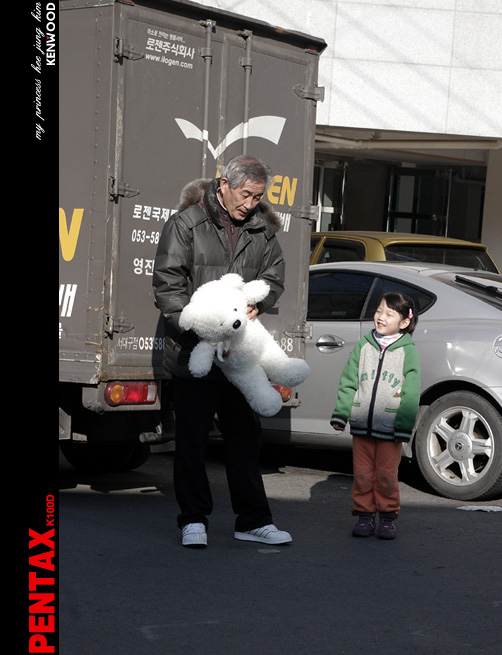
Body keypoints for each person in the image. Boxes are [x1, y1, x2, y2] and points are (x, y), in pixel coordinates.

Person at [152, 155, 292, 548]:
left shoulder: (262, 229)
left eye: (257, 197)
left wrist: (259, 303)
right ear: (224, 185)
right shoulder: (186, 223)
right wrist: (201, 324)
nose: (250, 204)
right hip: (193, 351)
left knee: (246, 438)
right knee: (192, 441)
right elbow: (167, 283)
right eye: (246, 194)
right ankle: (193, 520)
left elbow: (274, 276)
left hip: (239, 354)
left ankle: (253, 521)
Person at [330, 292, 420, 540]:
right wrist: (342, 413)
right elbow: (349, 381)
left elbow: (411, 392)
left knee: (386, 475)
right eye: (379, 311)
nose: (381, 317)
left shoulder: (408, 351)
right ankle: (365, 515)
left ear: (404, 322)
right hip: (362, 425)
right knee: (362, 475)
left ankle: (388, 516)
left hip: (390, 428)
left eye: (389, 314)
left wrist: (404, 424)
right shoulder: (364, 345)